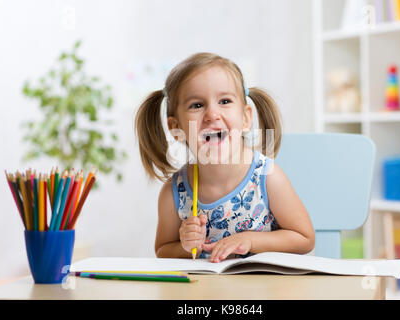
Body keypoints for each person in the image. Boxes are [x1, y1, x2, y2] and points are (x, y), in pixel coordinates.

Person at [135, 52, 315, 262]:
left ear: (246, 117)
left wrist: (250, 240)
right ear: (176, 128)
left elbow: (305, 239)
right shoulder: (174, 191)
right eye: (197, 105)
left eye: (225, 101)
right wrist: (186, 246)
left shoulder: (266, 177)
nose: (212, 114)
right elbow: (163, 250)